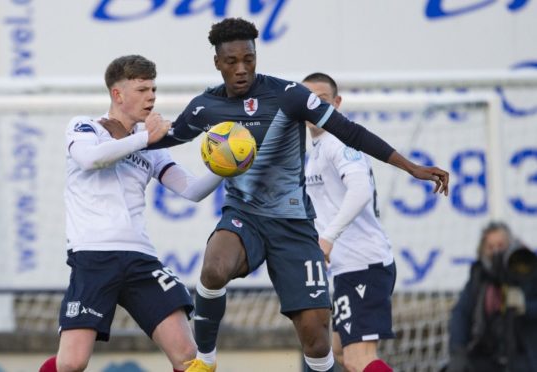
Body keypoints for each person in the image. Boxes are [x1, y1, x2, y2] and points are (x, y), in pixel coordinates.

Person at [149, 18, 449, 372]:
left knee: (318, 339)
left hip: (294, 227)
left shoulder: (289, 95)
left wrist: (411, 167)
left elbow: (349, 131)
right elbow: (163, 140)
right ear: (218, 63)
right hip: (244, 216)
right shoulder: (206, 107)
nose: (242, 69)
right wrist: (134, 131)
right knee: (214, 268)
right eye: (232, 62)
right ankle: (206, 361)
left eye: (249, 59)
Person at [39, 55, 224, 372]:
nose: (151, 96)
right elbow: (89, 159)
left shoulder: (151, 147)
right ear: (117, 94)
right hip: (95, 256)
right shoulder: (87, 127)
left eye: (153, 88)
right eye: (141, 89)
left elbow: (191, 190)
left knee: (191, 359)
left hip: (140, 258)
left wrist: (226, 167)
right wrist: (145, 138)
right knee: (72, 363)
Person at [303, 72, 394, 372]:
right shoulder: (314, 151)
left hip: (365, 265)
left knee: (359, 358)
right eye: (309, 101)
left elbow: (360, 191)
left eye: (323, 101)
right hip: (347, 268)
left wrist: (327, 238)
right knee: (341, 352)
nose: (315, 107)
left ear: (337, 104)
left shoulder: (338, 143)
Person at [447, 221, 537, 372]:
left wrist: (525, 307)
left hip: (525, 354)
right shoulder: (479, 276)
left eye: (500, 245)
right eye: (490, 247)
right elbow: (461, 313)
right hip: (487, 354)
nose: (496, 251)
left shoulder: (529, 270)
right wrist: (458, 351)